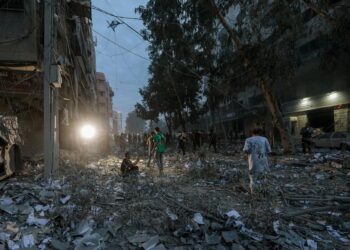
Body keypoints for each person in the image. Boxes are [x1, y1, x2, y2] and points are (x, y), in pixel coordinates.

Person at [243, 128, 271, 194]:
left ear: (252, 132)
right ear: (260, 132)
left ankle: (253, 193)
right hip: (263, 161)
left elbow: (245, 150)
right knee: (264, 177)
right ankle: (264, 192)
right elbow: (269, 151)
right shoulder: (264, 139)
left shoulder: (248, 140)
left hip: (253, 161)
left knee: (253, 178)